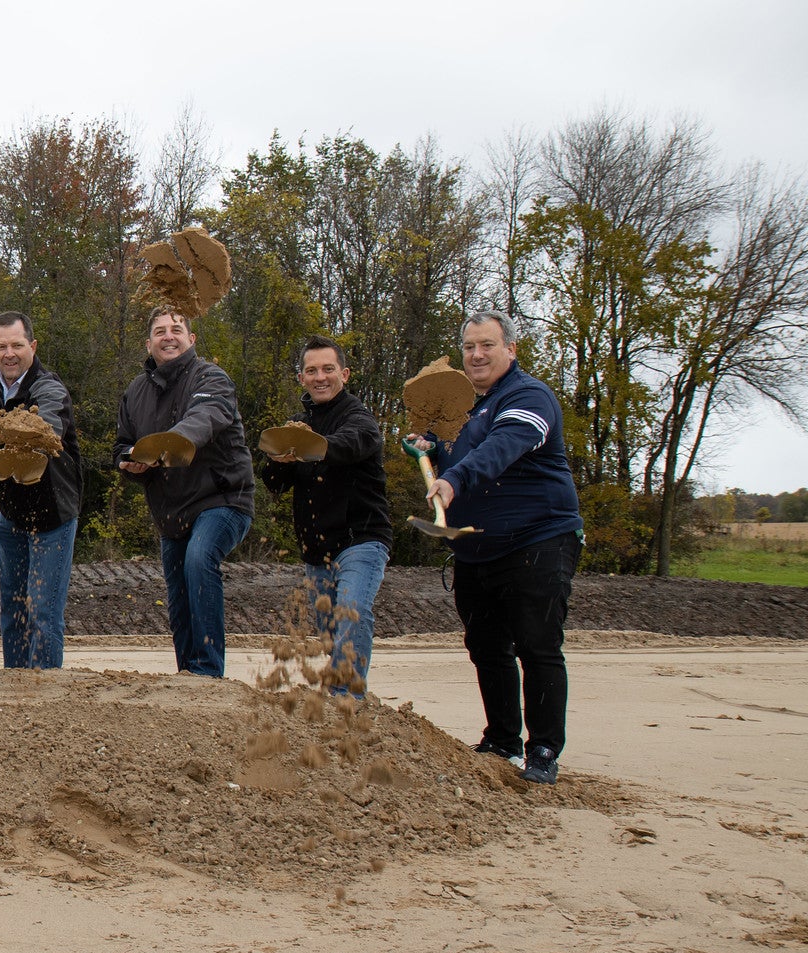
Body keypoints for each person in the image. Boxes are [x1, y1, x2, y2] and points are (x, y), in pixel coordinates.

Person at [415, 309, 584, 785]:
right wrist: (432, 451)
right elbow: (460, 456)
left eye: (486, 345)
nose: (476, 354)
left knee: (537, 644)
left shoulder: (529, 396)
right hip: (477, 548)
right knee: (486, 646)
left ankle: (544, 749)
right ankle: (502, 742)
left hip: (539, 539)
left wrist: (453, 478)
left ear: (511, 349)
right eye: (469, 346)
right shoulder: (468, 412)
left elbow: (503, 447)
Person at [114, 309, 255, 678]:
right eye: (160, 331)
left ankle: (209, 672)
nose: (168, 336)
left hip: (221, 499)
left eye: (177, 329)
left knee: (199, 559)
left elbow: (205, 417)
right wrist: (131, 461)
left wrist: (168, 444)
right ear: (149, 343)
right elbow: (123, 445)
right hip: (171, 510)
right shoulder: (135, 392)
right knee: (177, 592)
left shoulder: (212, 377)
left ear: (191, 339)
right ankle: (188, 674)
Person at [260, 336, 392, 695]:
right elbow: (274, 482)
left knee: (352, 612)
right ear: (301, 378)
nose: (320, 377)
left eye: (328, 369)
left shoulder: (359, 418)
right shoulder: (297, 426)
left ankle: (347, 700)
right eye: (311, 370)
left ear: (344, 374)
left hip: (361, 539)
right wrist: (278, 458)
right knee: (331, 631)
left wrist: (308, 446)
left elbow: (348, 445)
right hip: (318, 550)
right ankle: (339, 696)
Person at [0, 311, 82, 669]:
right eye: (1, 346)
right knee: (13, 608)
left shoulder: (48, 387)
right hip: (11, 512)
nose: (9, 354)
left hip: (53, 513)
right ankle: (14, 684)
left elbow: (48, 428)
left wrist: (23, 441)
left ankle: (43, 690)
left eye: (17, 345)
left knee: (42, 610)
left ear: (33, 346)